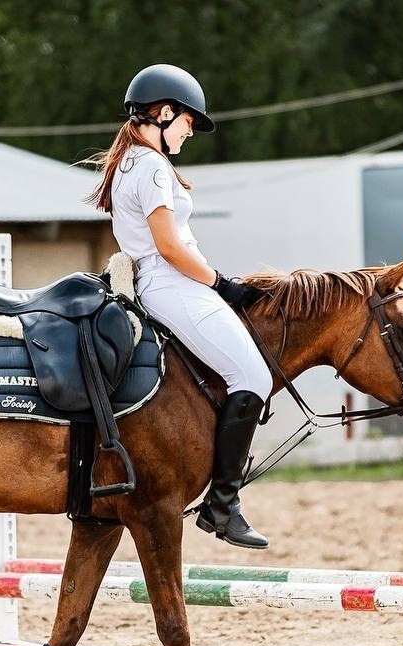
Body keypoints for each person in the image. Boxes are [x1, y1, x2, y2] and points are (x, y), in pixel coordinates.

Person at [83, 64, 270, 549]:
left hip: (165, 285)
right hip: (172, 284)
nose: (190, 131)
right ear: (165, 113)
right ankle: (222, 505)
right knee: (255, 378)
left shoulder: (129, 162)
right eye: (188, 121)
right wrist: (222, 284)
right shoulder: (150, 166)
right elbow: (168, 246)